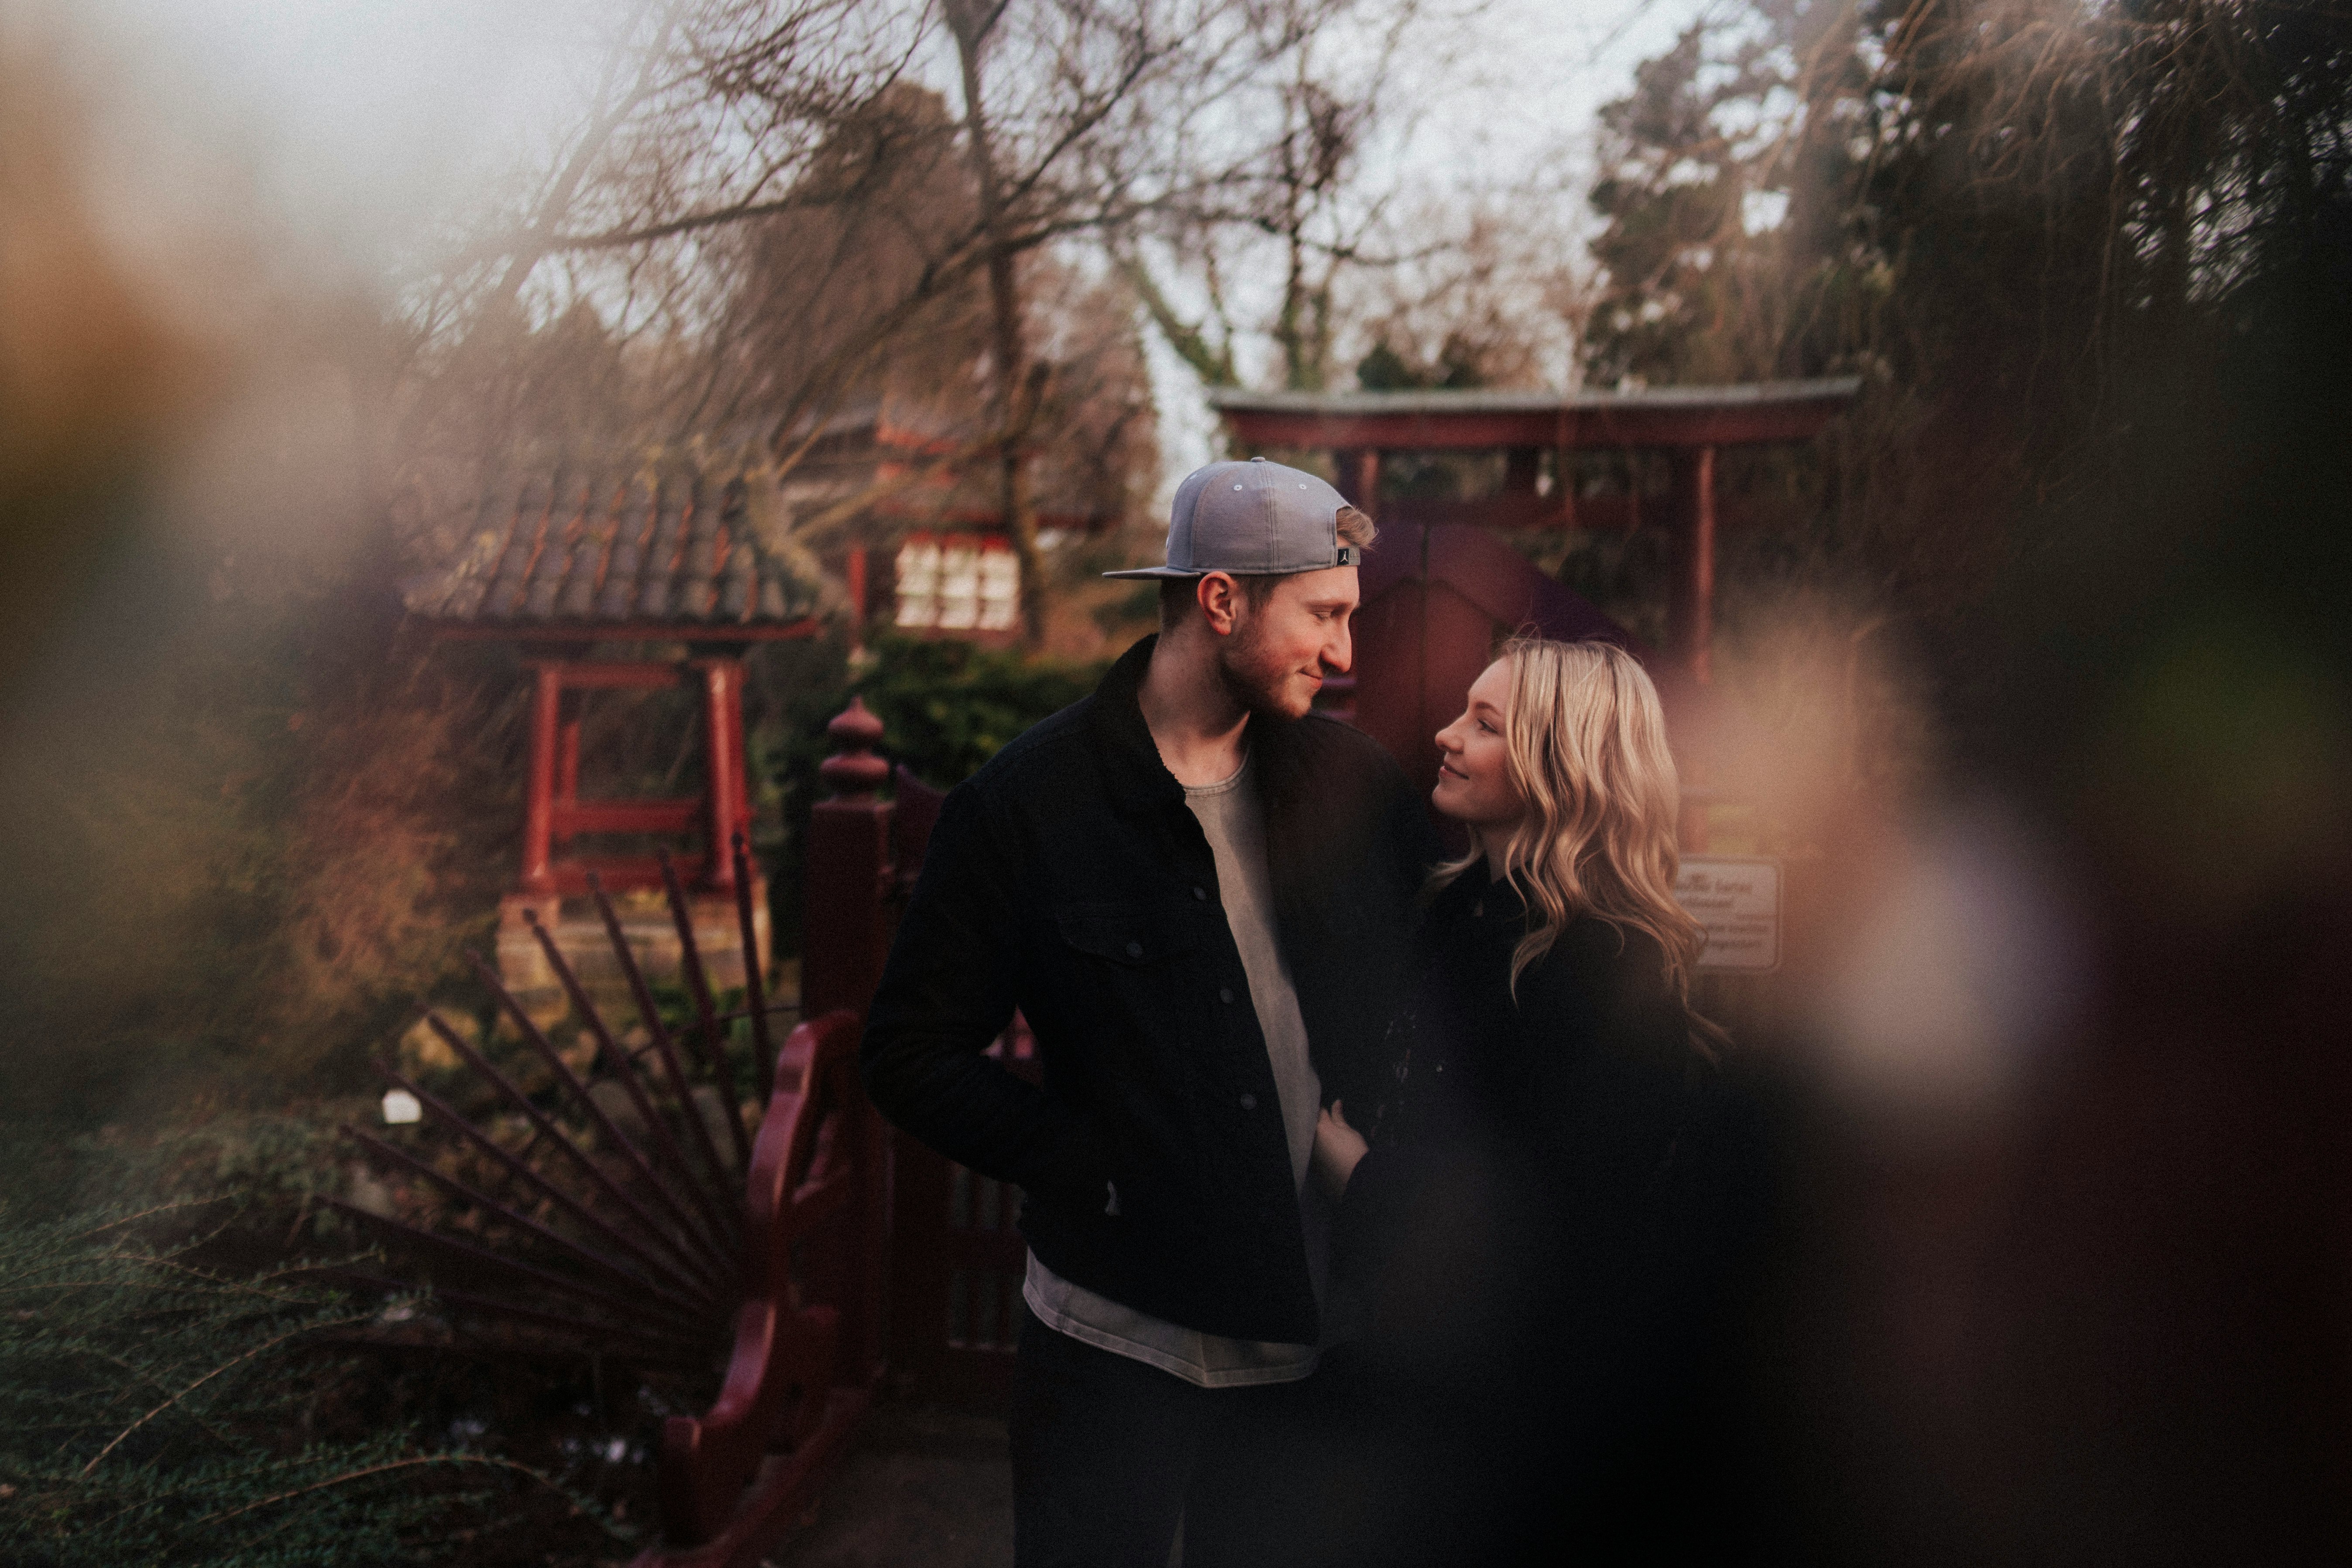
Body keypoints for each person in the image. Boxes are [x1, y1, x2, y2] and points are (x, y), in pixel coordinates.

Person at [861, 457, 1435, 1568]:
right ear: (1222, 600)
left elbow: (1449, 991)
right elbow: (907, 1052)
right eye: (1322, 614)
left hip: (1314, 1340)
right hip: (1110, 1345)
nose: (1345, 653)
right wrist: (1085, 1160)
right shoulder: (1026, 806)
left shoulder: (1353, 786)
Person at [1301, 637, 1763, 1565]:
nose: (1444, 734)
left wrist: (1358, 1170)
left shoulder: (1611, 966)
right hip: (1401, 1379)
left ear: (1564, 763)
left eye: (1484, 724)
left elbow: (1564, 1217)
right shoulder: (1451, 909)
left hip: (1513, 1425)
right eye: (1460, 711)